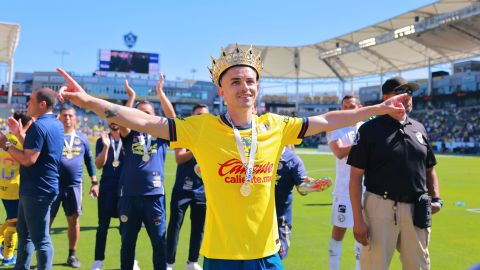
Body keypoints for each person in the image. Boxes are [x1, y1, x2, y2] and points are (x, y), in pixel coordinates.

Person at [56, 45, 409, 270]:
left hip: (267, 254)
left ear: (258, 87)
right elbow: (147, 121)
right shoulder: (202, 128)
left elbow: (328, 120)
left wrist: (377, 108)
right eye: (236, 81)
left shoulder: (276, 126)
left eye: (251, 80)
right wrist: (88, 102)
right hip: (221, 256)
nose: (245, 86)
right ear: (221, 90)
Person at [348, 76, 443, 270]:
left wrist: (437, 198)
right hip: (380, 207)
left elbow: (429, 168)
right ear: (386, 97)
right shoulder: (369, 129)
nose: (407, 96)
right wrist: (358, 220)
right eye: (401, 92)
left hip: (416, 208)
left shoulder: (419, 128)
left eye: (410, 92)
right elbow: (356, 177)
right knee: (374, 266)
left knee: (418, 266)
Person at [114, 74, 175, 270]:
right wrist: (130, 98)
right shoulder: (129, 133)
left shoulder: (162, 133)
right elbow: (121, 119)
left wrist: (160, 93)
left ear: (155, 115)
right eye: (139, 113)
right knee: (127, 243)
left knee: (159, 243)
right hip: (129, 196)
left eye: (147, 112)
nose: (143, 116)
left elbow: (173, 119)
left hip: (154, 196)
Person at [0, 87, 64, 270]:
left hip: (37, 190)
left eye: (31, 100)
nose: (28, 103)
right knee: (24, 233)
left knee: (41, 239)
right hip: (39, 187)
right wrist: (20, 134)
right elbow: (37, 148)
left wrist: (5, 144)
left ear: (42, 104)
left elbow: (28, 160)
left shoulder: (38, 125)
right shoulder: (55, 124)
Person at [91, 80, 136, 270]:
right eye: (110, 119)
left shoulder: (128, 138)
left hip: (125, 189)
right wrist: (106, 149)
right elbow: (99, 165)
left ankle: (130, 261)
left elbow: (128, 115)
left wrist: (131, 97)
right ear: (107, 120)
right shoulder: (103, 140)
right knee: (102, 227)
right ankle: (98, 261)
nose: (114, 122)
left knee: (125, 228)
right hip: (107, 188)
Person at [48, 105, 96, 268]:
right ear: (59, 118)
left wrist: (94, 182)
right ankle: (43, 254)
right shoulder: (53, 137)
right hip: (53, 184)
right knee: (46, 220)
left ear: (75, 119)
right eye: (64, 116)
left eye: (70, 116)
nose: (67, 118)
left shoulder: (82, 138)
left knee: (73, 220)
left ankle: (72, 255)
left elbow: (89, 161)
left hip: (74, 186)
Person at [166, 104, 209, 270]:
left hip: (202, 190)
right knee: (174, 226)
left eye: (204, 115)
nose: (201, 118)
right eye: (198, 114)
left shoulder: (211, 135)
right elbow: (179, 158)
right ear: (192, 116)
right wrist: (198, 146)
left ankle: (192, 262)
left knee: (199, 228)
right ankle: (168, 263)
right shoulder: (184, 132)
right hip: (182, 189)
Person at [274, 145, 331, 260]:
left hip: (281, 220)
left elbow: (301, 188)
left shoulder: (293, 160)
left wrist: (310, 186)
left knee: (278, 257)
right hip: (258, 217)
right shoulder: (260, 155)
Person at [326, 95, 363, 270]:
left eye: (352, 106)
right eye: (345, 107)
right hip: (344, 190)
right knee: (339, 230)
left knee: (362, 232)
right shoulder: (336, 128)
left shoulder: (367, 128)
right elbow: (340, 152)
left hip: (367, 190)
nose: (349, 110)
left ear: (360, 107)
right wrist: (363, 146)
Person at [0, 112, 33, 266]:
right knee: (14, 221)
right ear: (29, 124)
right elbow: (29, 161)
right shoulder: (23, 142)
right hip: (15, 188)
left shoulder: (4, 139)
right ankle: (7, 256)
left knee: (10, 218)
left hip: (3, 187)